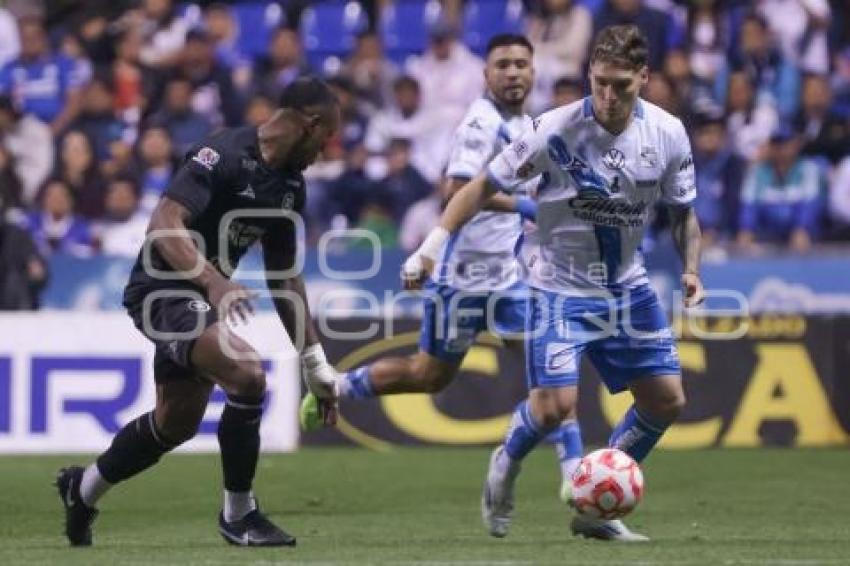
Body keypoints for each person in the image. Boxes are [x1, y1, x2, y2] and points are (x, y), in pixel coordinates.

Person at [403, 25, 704, 542]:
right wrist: (433, 245)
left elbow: (683, 214)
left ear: (645, 78)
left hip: (626, 289)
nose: (608, 97)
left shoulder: (669, 133)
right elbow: (479, 186)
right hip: (558, 287)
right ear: (591, 74)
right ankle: (506, 460)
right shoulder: (553, 130)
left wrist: (692, 268)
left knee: (666, 401)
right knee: (553, 409)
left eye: (622, 86)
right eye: (600, 83)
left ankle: (595, 505)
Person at [301, 33, 585, 515]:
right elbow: (458, 189)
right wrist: (528, 207)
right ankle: (337, 386)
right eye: (503, 65)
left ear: (534, 71)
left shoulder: (527, 124)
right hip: (461, 282)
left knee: (552, 361)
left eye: (521, 63)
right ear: (486, 74)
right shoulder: (481, 124)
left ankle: (575, 477)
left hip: (510, 278)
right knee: (428, 376)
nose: (514, 72)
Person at [55, 77, 342, 548]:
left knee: (175, 423)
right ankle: (240, 515)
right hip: (160, 288)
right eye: (327, 137)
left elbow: (284, 277)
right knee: (248, 375)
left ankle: (81, 490)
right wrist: (214, 280)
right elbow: (164, 221)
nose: (326, 151)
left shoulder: (291, 187)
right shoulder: (223, 153)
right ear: (309, 125)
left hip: (201, 301)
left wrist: (315, 364)